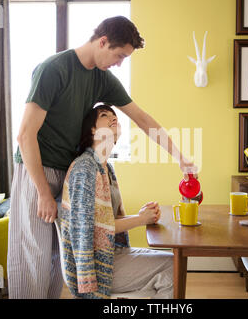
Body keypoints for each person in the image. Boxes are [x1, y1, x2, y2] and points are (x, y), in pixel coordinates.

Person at [8, 16, 196, 299]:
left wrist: (180, 157)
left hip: (69, 172)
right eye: (119, 55)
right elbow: (25, 136)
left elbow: (142, 118)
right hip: (38, 169)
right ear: (103, 41)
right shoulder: (54, 69)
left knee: (60, 260)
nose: (119, 63)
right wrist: (43, 193)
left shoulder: (101, 78)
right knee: (32, 257)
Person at [58, 104, 173, 299]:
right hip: (93, 265)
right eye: (104, 115)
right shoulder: (85, 168)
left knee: (172, 262)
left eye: (115, 116)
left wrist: (144, 215)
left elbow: (105, 220)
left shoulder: (106, 168)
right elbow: (91, 228)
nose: (114, 118)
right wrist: (140, 219)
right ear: (92, 130)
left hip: (111, 252)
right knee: (171, 267)